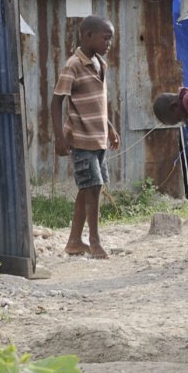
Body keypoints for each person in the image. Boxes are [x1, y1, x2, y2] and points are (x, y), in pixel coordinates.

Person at [51, 15, 120, 260]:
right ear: (87, 35)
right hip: (81, 139)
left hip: (98, 138)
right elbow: (57, 100)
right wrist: (59, 136)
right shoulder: (73, 65)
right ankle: (94, 241)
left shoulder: (100, 63)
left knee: (89, 188)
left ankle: (73, 242)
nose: (109, 43)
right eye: (106, 38)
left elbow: (97, 103)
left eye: (110, 38)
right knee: (92, 187)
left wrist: (110, 126)